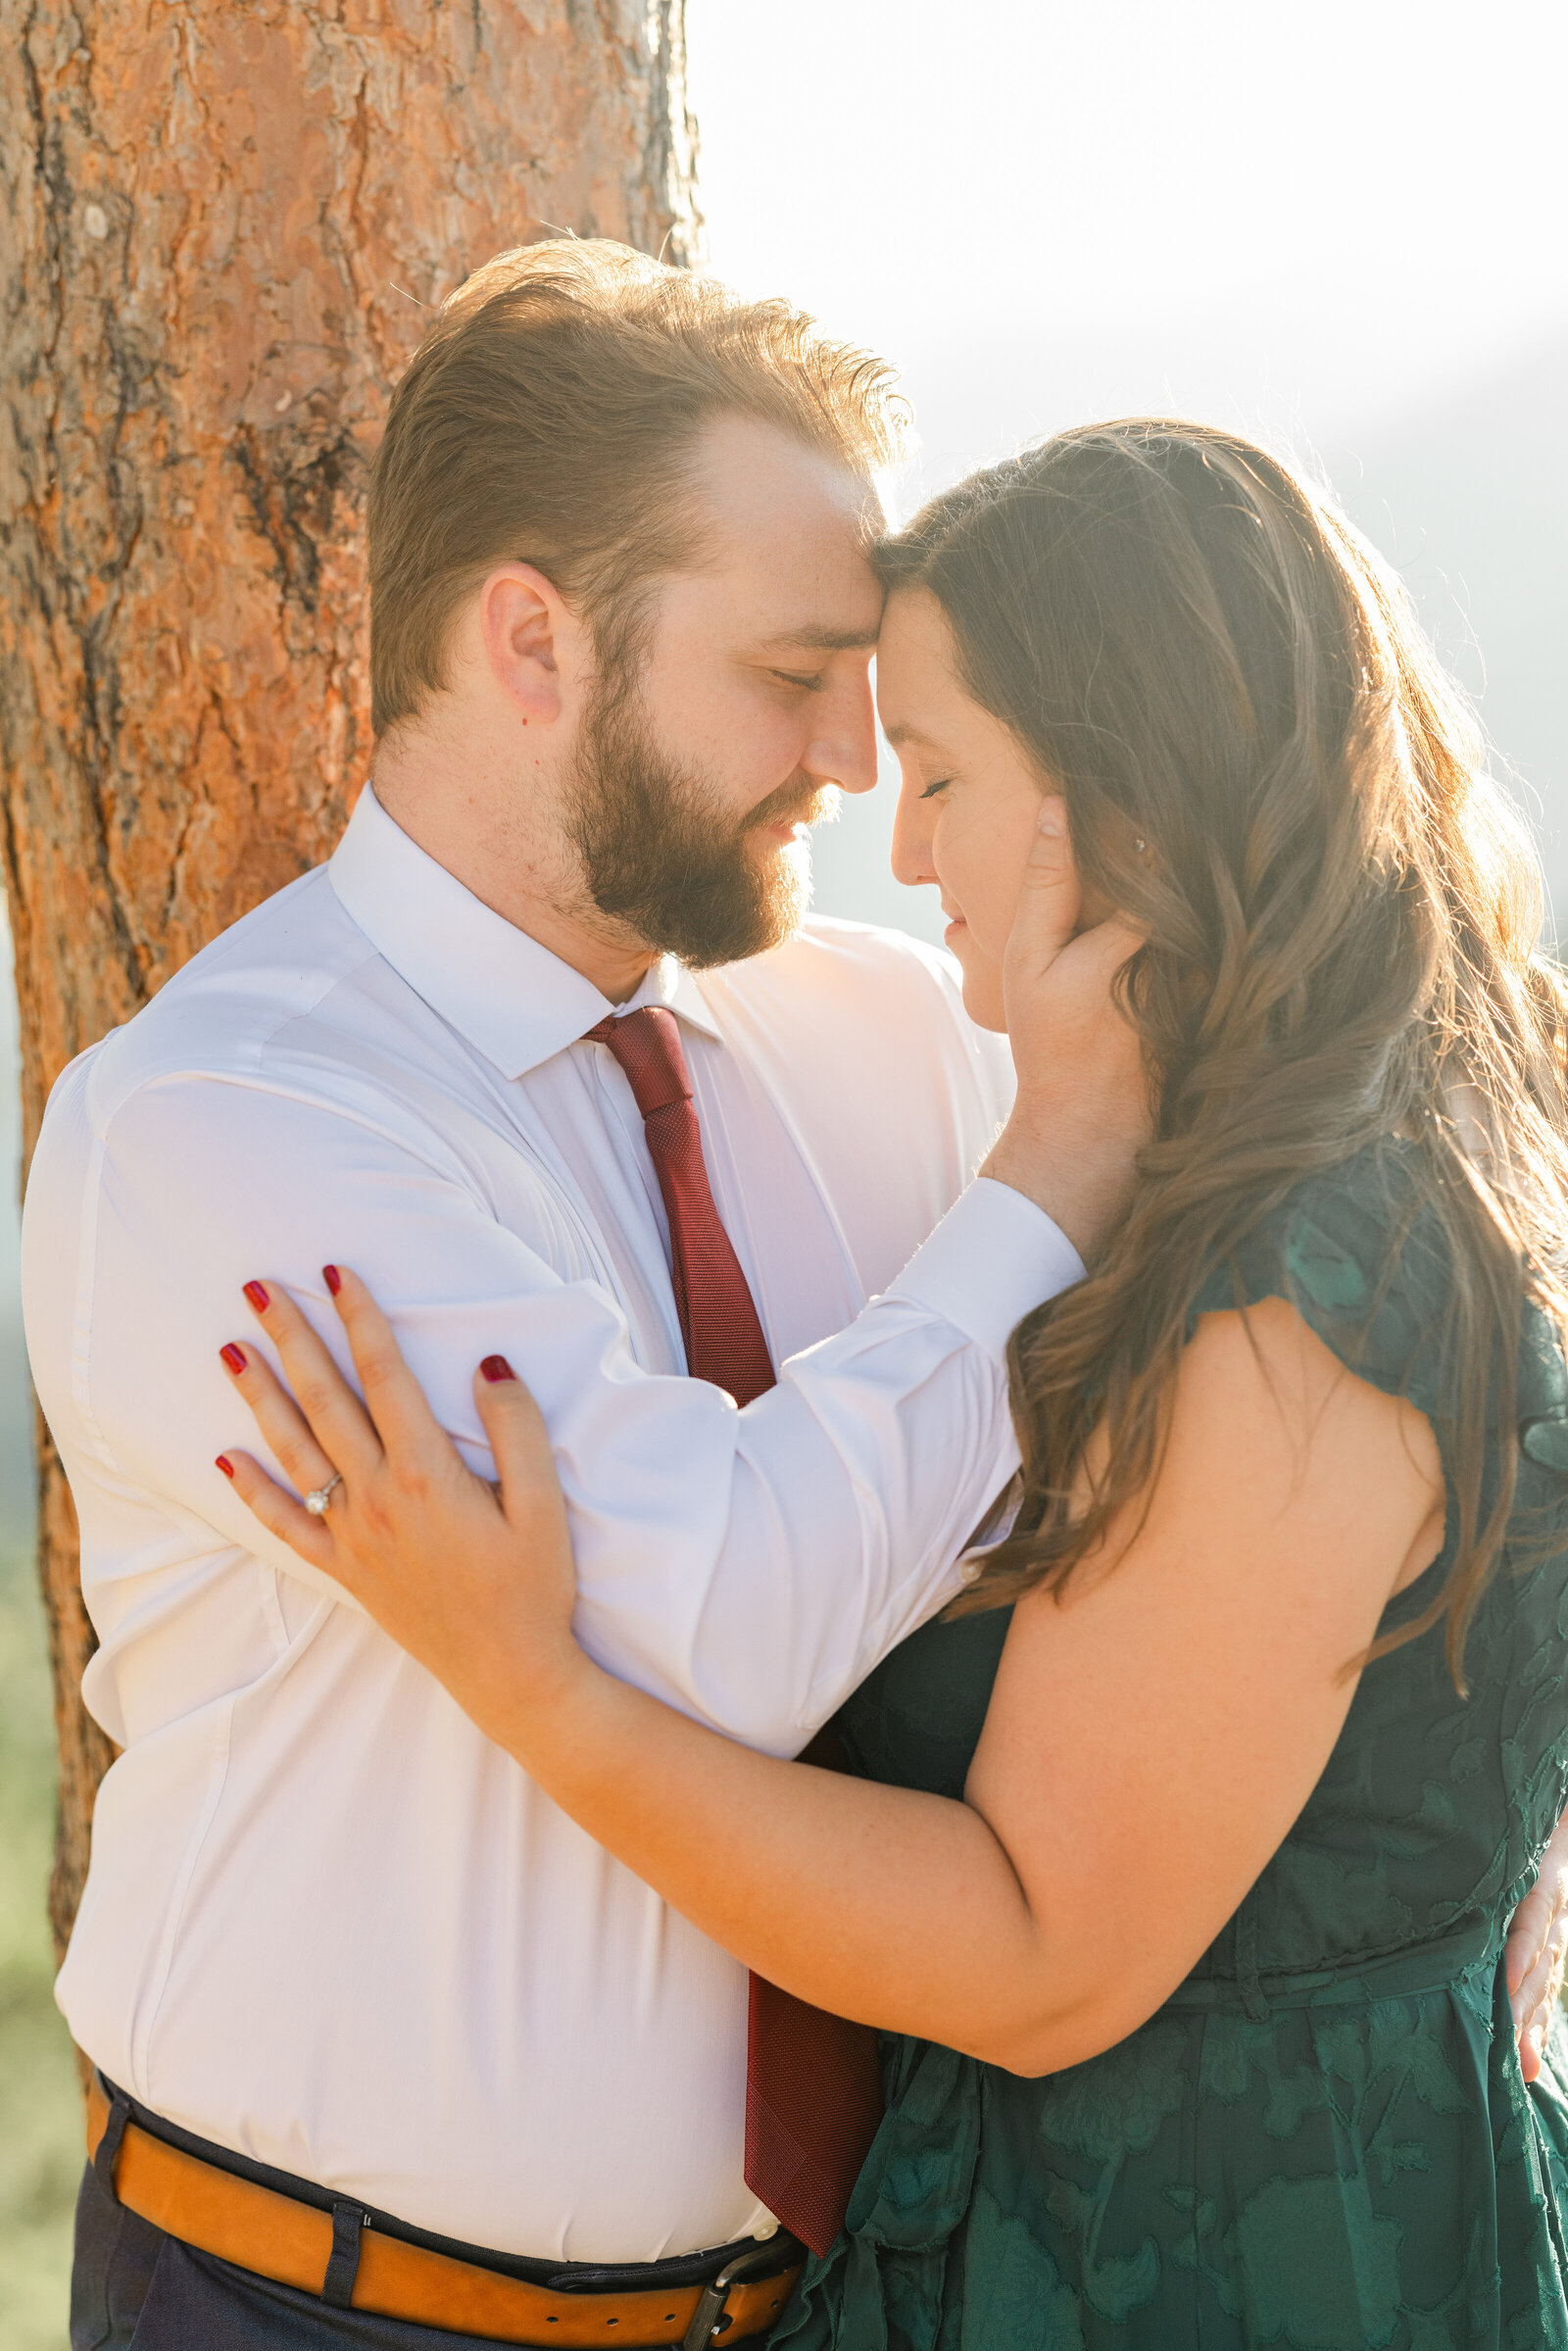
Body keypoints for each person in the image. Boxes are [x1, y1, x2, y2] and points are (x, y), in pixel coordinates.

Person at [220, 419, 1568, 2346]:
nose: (904, 843)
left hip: (1206, 2275)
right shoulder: (1307, 1154)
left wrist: (527, 1685)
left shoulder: (1294, 1282)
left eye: (939, 773)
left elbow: (1034, 1951)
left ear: (1123, 789)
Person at [23, 239, 1159, 2351]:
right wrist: (1061, 1173)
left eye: (873, 674)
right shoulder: (220, 1125)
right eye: (789, 671)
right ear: (528, 640)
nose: (856, 749)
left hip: (844, 2302)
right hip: (309, 2314)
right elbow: (715, 1633)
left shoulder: (905, 1041)